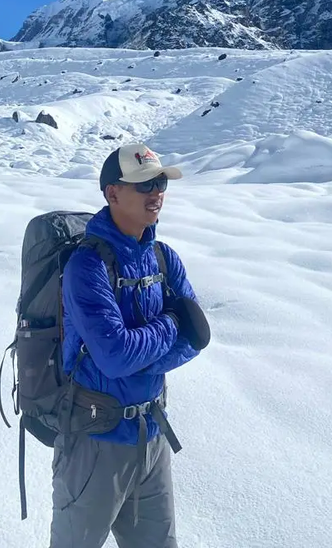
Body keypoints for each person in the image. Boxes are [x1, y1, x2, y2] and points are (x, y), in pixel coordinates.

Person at [50, 143, 207, 548]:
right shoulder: (86, 267)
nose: (155, 193)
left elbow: (198, 338)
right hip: (95, 440)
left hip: (151, 438)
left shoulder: (163, 257)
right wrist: (171, 322)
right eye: (142, 184)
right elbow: (117, 355)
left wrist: (143, 352)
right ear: (112, 193)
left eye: (159, 183)